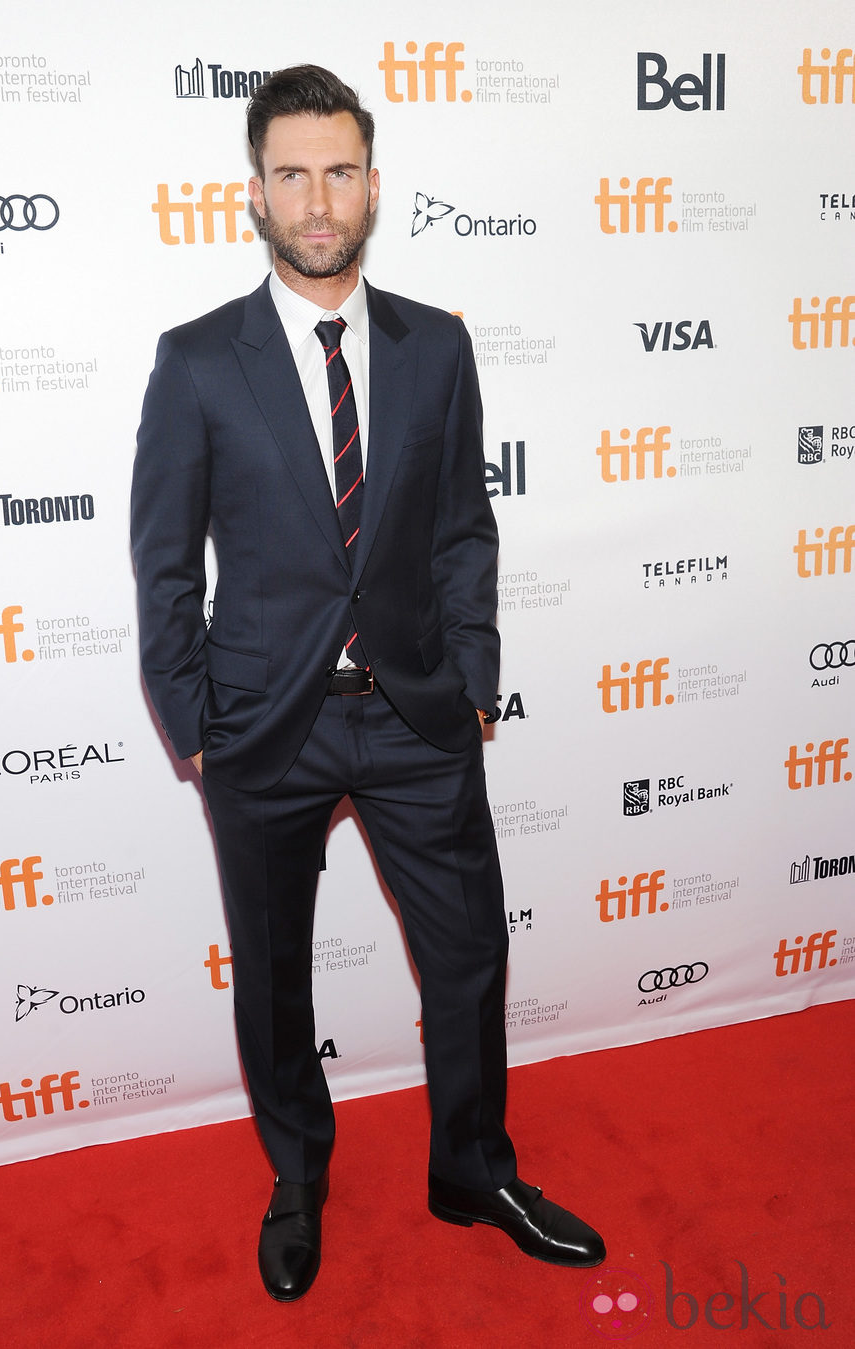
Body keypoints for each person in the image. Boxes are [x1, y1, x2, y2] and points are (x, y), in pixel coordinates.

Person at [130, 64, 604, 1301]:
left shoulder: (435, 346)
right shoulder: (194, 362)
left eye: (338, 169)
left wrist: (476, 675)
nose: (317, 196)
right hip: (263, 731)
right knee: (275, 977)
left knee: (466, 954)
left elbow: (462, 529)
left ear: (373, 183)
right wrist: (194, 725)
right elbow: (163, 561)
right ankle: (298, 1177)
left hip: (413, 715)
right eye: (291, 172)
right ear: (255, 193)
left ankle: (472, 1168)